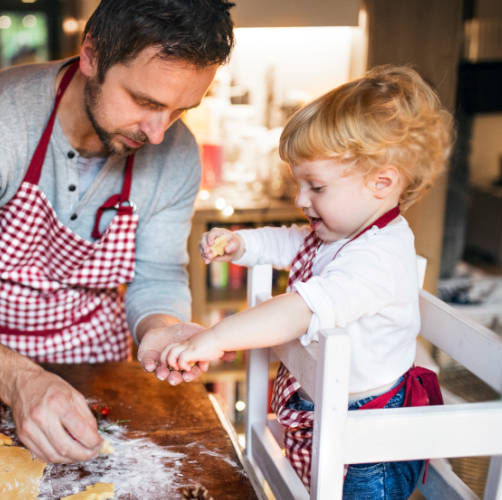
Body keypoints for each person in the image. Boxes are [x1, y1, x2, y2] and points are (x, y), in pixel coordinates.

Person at [0, 0, 235, 465]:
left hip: (100, 366)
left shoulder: (176, 154)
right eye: (146, 102)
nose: (159, 133)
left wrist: (160, 330)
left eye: (181, 110)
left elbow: (158, 278)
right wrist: (22, 381)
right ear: (92, 55)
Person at [162, 66, 454, 499]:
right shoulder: (347, 232)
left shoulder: (376, 259)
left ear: (383, 182)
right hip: (334, 411)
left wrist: (216, 337)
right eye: (299, 185)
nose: (301, 200)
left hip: (370, 444)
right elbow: (290, 243)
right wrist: (241, 244)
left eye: (315, 186)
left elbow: (300, 310)